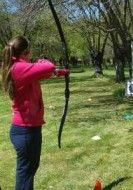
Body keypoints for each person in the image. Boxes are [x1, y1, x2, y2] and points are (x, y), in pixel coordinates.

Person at [1, 36, 69, 190]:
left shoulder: (18, 67)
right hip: (26, 131)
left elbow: (44, 73)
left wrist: (60, 72)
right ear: (26, 52)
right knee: (25, 173)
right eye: (30, 52)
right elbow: (48, 66)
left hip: (26, 130)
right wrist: (42, 61)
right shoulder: (18, 67)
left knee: (28, 171)